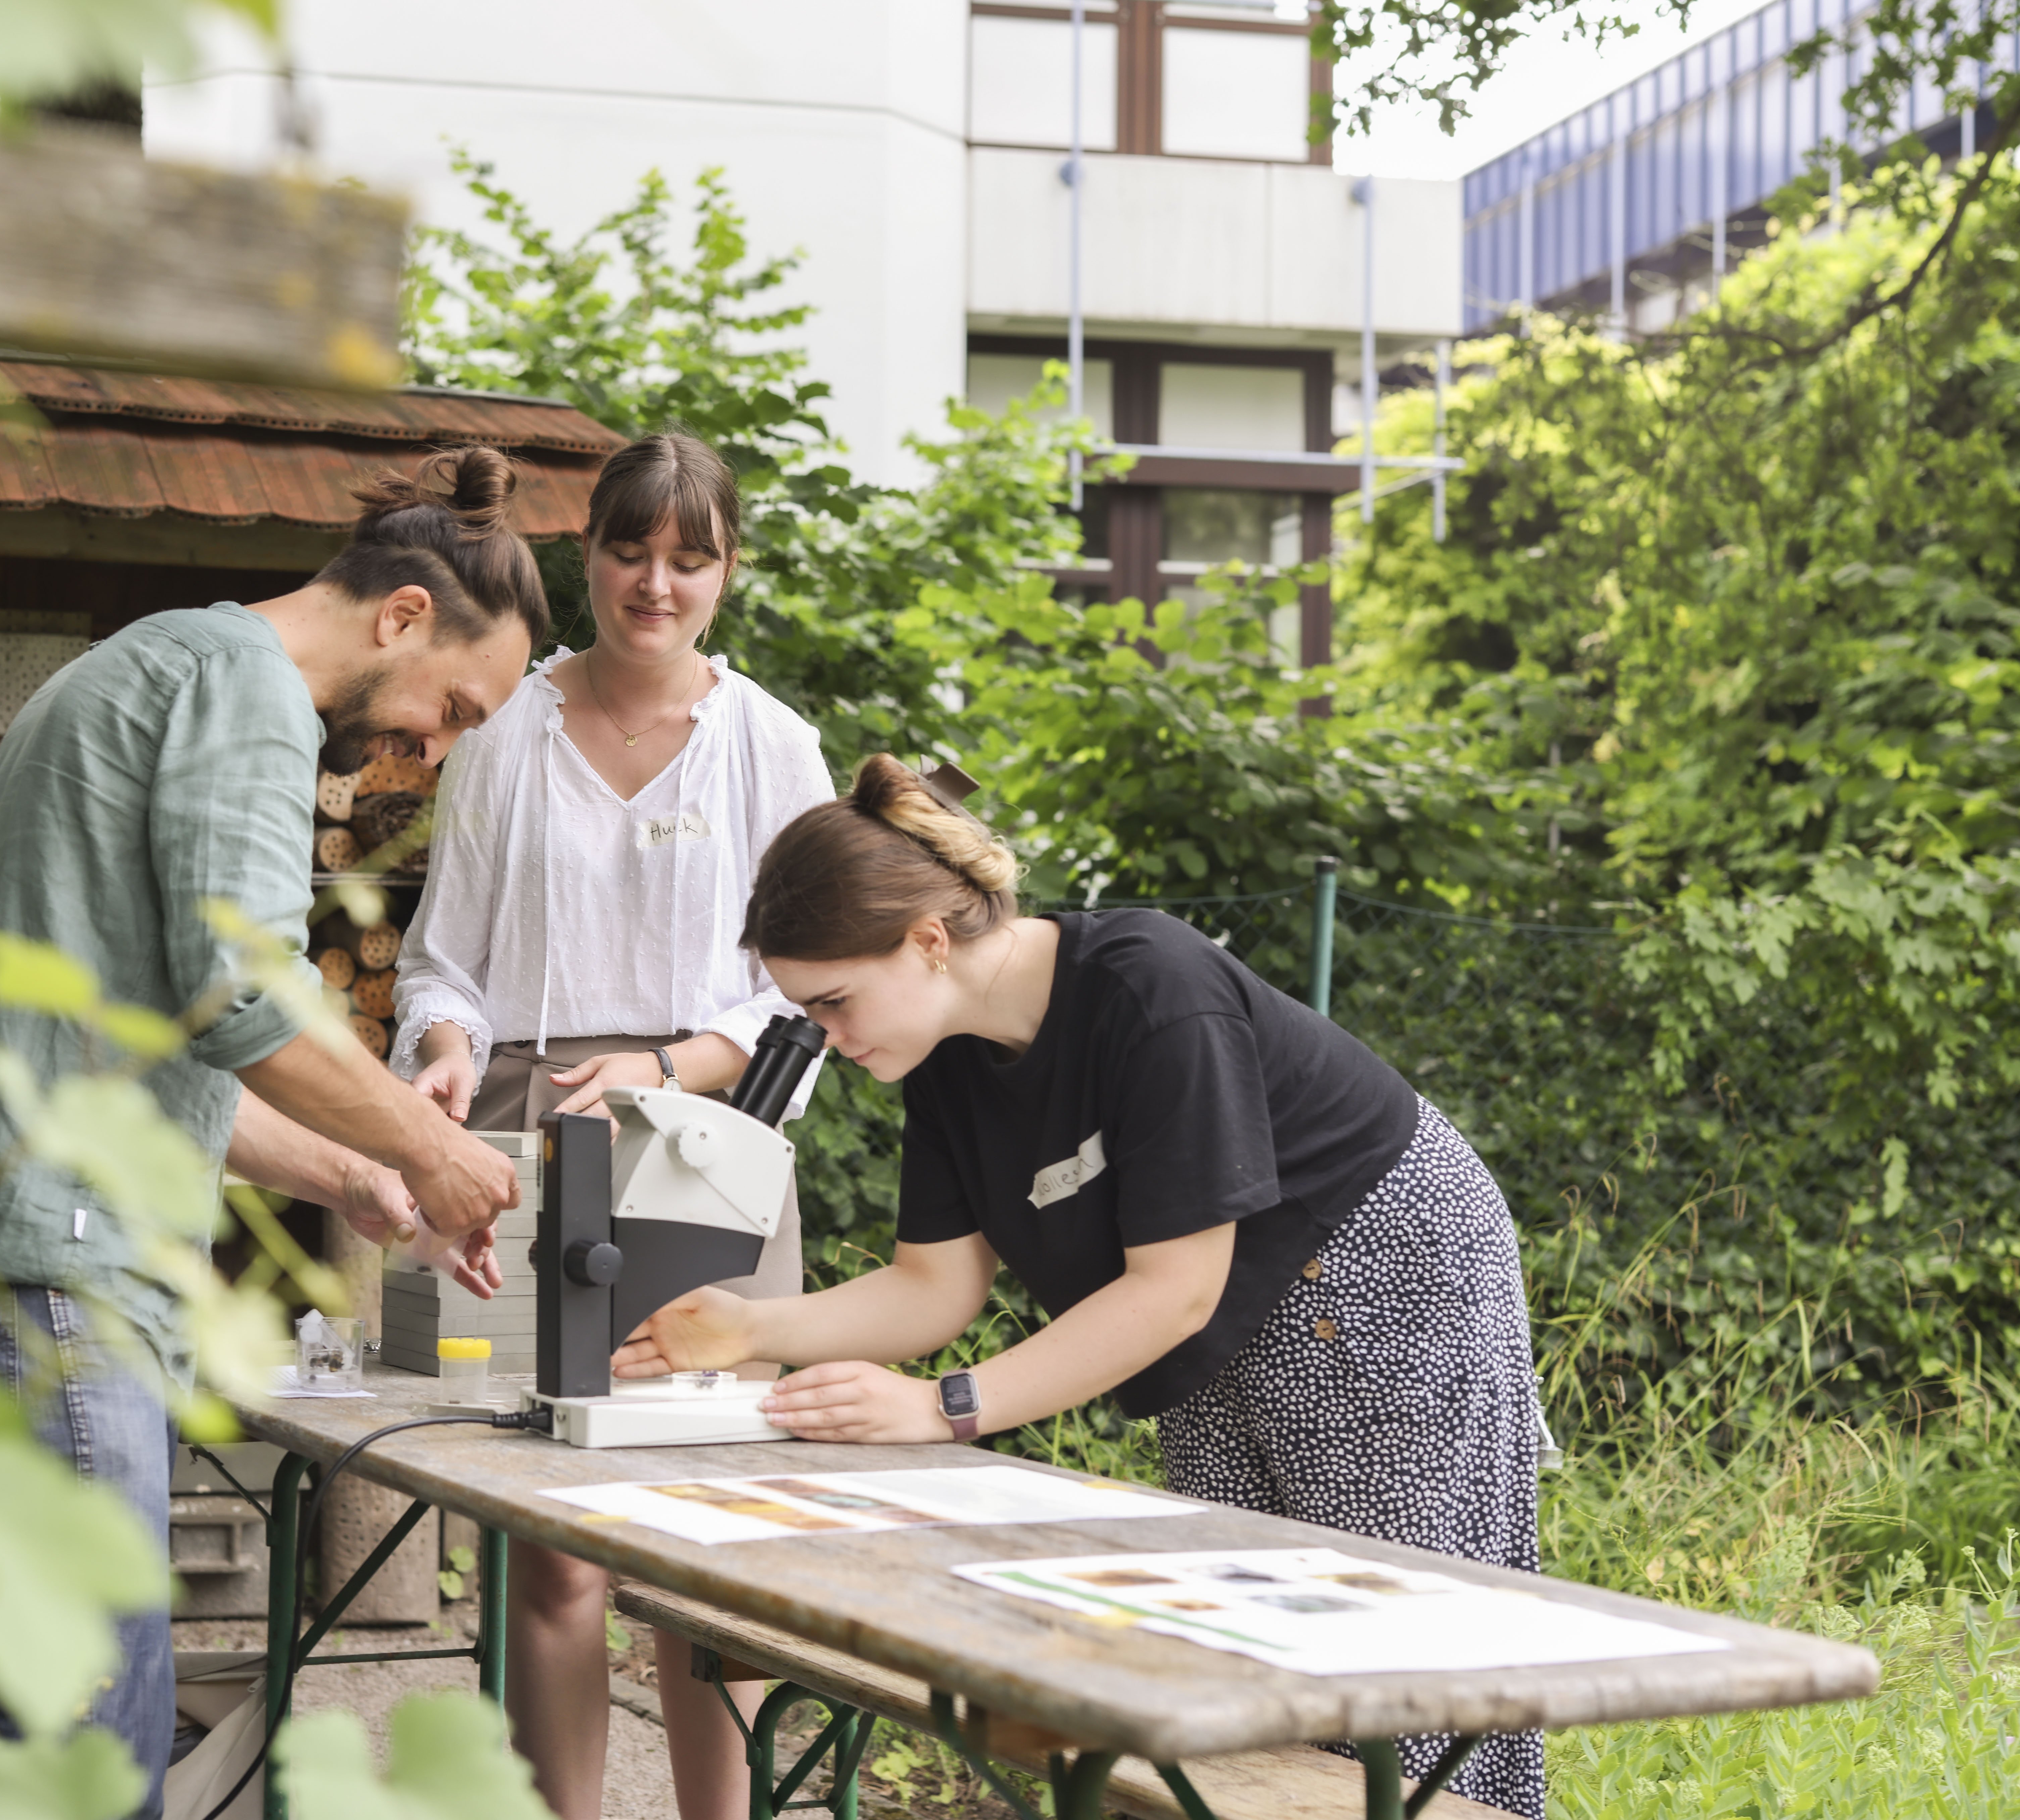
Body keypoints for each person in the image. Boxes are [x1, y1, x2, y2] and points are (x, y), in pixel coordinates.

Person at [614, 756, 1550, 1820]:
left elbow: (1176, 1290)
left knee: (1396, 1646)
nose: (824, 1036)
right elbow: (935, 1288)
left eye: (832, 1001)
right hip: (1217, 1314)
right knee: (1245, 1647)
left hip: (1383, 1258)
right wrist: (748, 1327)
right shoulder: (944, 1056)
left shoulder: (1152, 985)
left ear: (927, 941)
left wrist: (944, 1408)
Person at [0, 448, 543, 1819]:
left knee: (64, 1725)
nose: (433, 745)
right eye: (452, 707)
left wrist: (353, 1172)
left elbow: (146, 1047)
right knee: (100, 1745)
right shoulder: (249, 696)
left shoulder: (158, 665)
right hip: (50, 1272)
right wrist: (430, 1150)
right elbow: (244, 999)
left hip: (5, 1256)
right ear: (401, 614)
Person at [390, 433, 834, 1820]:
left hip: (710, 1134)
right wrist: (450, 1048)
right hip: (528, 1130)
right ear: (586, 553)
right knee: (554, 1542)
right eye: (630, 551)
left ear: (726, 571)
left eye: (688, 558)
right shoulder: (504, 725)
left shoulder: (772, 746)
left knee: (706, 1530)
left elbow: (812, 984)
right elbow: (437, 961)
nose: (655, 584)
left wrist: (674, 1059)